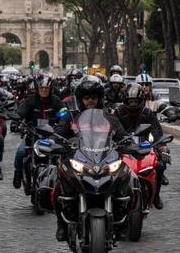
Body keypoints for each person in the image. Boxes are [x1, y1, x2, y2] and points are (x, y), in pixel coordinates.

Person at [53, 77, 129, 241]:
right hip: (78, 160)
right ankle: (61, 223)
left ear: (99, 98)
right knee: (57, 183)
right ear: (81, 99)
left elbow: (123, 136)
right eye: (86, 98)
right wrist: (57, 142)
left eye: (93, 97)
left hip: (105, 160)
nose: (90, 101)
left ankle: (123, 221)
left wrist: (128, 144)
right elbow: (58, 134)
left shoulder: (110, 118)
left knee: (127, 177)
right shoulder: (71, 118)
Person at [114, 83, 169, 209]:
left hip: (144, 146)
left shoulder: (148, 113)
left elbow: (157, 131)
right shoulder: (118, 112)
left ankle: (156, 196)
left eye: (135, 101)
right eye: (130, 101)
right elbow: (111, 130)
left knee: (159, 166)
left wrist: (162, 147)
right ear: (125, 100)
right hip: (122, 147)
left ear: (141, 101)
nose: (133, 104)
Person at [12, 74, 64, 189]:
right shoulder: (30, 101)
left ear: (50, 89)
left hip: (52, 135)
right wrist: (16, 121)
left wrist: (60, 118)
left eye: (46, 88)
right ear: (37, 89)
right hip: (33, 134)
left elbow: (64, 112)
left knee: (62, 155)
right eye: (42, 88)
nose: (44, 90)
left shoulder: (56, 100)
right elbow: (21, 112)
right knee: (21, 151)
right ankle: (18, 173)